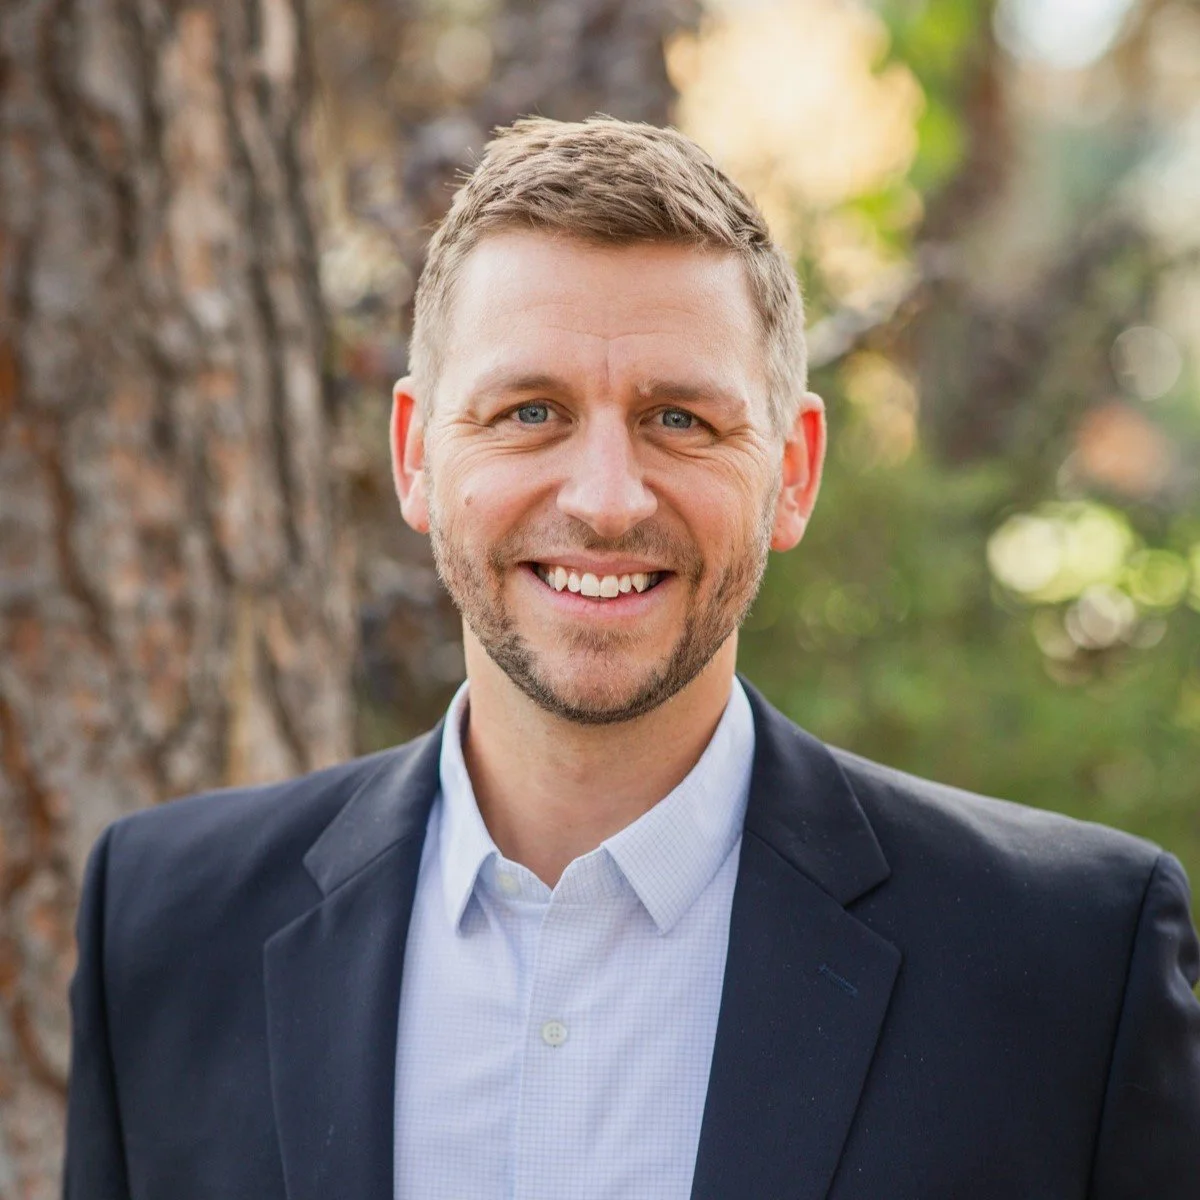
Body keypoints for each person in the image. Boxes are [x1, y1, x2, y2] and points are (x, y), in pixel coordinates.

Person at [64, 117, 1199, 1200]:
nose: (606, 501)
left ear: (794, 470)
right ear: (414, 456)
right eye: (529, 412)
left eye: (679, 421)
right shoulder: (164, 928)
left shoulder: (1068, 966)